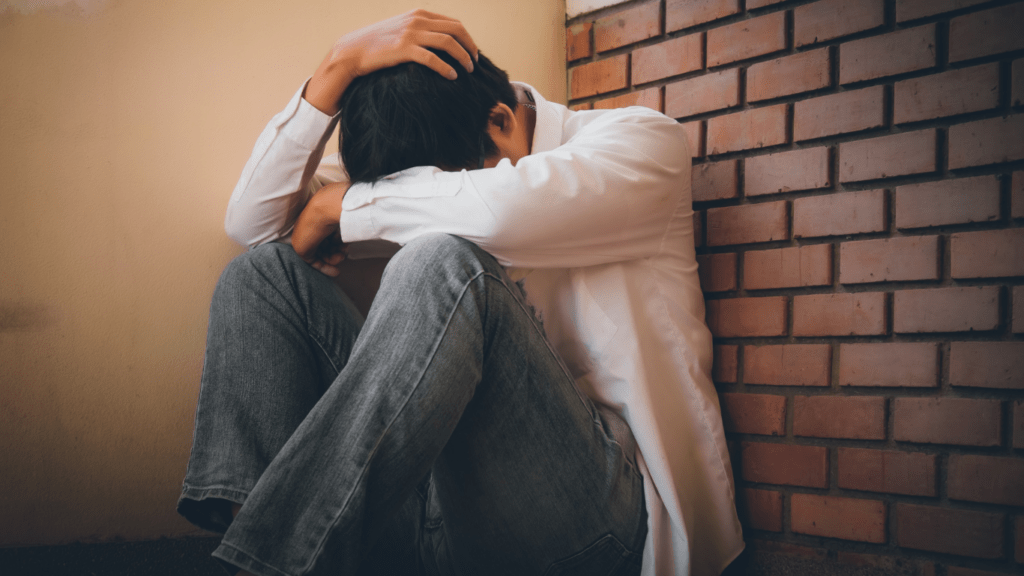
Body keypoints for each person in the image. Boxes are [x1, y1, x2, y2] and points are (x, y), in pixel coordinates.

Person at [178, 10, 743, 576]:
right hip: (435, 515)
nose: (425, 199)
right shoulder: (433, 155)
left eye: (439, 187)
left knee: (441, 260)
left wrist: (342, 205)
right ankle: (263, 541)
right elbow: (253, 225)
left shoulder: (639, 143)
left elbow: (504, 212)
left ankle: (269, 564)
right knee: (261, 274)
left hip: (599, 522)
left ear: (500, 119)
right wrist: (335, 69)